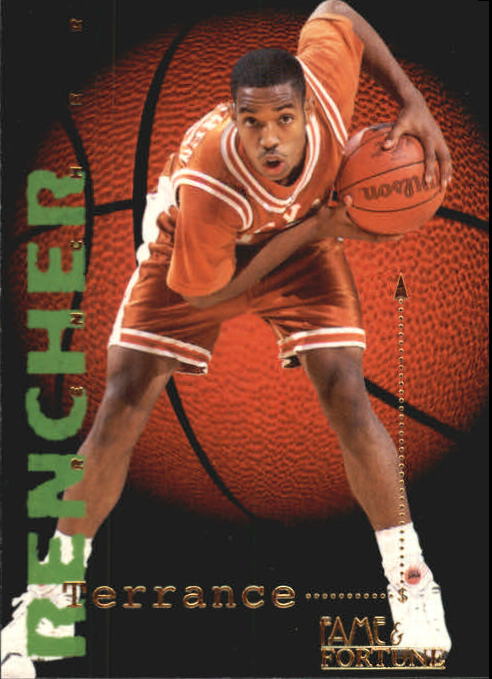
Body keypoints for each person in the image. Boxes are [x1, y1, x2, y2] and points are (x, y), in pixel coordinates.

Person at [1, 1, 453, 676]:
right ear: (235, 118)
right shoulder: (212, 182)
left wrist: (415, 103)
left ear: (308, 107)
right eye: (252, 122)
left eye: (284, 119)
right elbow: (208, 297)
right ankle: (50, 598)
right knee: (123, 401)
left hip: (299, 241)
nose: (269, 138)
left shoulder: (329, 95)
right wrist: (317, 228)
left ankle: (413, 587)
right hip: (195, 256)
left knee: (346, 392)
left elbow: (337, 10)